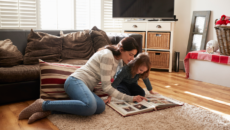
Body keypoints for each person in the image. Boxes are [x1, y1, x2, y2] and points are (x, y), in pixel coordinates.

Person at [18, 37, 147, 124]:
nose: (132, 58)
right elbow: (107, 87)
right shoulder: (108, 56)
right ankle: (43, 104)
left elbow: (108, 83)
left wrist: (109, 95)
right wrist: (131, 98)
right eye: (130, 54)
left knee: (100, 107)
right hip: (75, 81)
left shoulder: (118, 60)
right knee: (90, 107)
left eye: (134, 56)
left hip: (85, 87)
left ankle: (49, 111)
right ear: (122, 49)